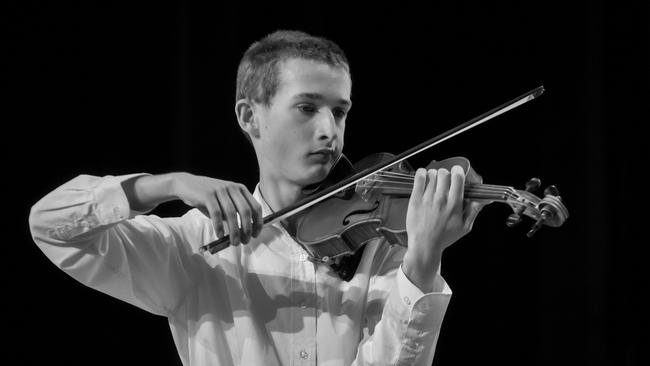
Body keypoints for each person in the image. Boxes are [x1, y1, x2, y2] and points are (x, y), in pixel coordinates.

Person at [29, 30, 483, 366]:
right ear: (250, 117)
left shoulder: (381, 244)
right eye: (307, 107)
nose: (330, 130)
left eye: (340, 111)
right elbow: (52, 225)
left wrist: (423, 259)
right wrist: (167, 184)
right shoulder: (196, 245)